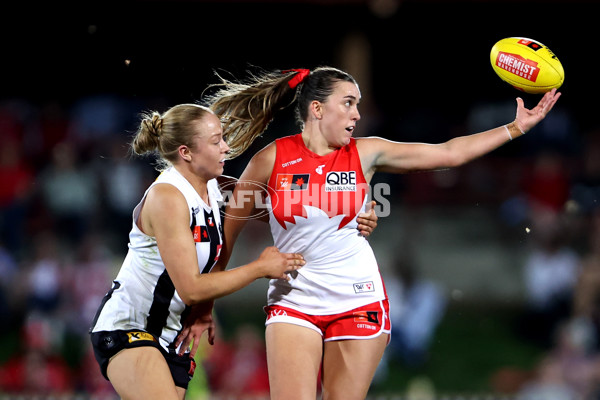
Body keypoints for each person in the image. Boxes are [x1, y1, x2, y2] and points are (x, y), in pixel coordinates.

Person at [203, 67, 561, 400]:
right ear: (317, 109)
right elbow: (227, 237)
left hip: (357, 299)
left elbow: (448, 153)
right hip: (294, 300)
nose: (357, 114)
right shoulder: (271, 159)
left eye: (357, 104)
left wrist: (515, 128)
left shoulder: (366, 152)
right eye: (348, 103)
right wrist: (206, 305)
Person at [88, 104, 307, 400]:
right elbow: (190, 288)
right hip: (130, 327)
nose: (226, 148)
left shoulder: (215, 188)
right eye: (216, 141)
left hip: (174, 336)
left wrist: (357, 213)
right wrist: (260, 268)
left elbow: (286, 205)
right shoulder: (167, 196)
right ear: (186, 152)